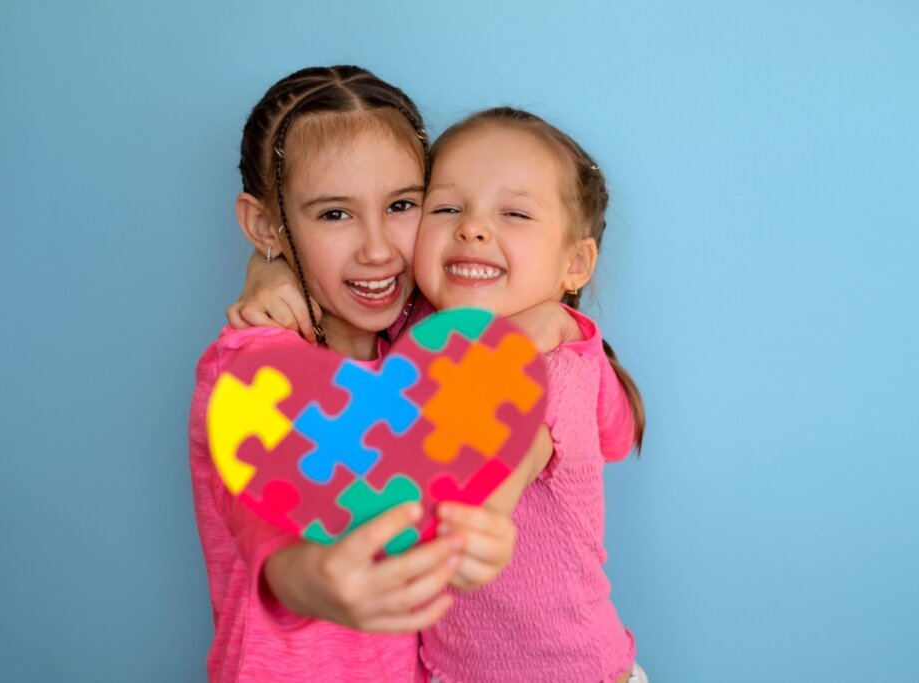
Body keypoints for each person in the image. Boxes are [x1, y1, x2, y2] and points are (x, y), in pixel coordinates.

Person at [232, 106, 647, 682]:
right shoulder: (420, 329)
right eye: (447, 207)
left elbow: (510, 450)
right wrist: (269, 271)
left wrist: (476, 521)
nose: (473, 227)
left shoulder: (550, 370)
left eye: (515, 213)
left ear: (574, 263)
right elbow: (318, 258)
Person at [190, 66, 517, 683]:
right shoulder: (248, 369)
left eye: (401, 205)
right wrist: (314, 579)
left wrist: (273, 268)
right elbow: (265, 526)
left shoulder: (416, 342)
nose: (377, 250)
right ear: (266, 224)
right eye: (334, 214)